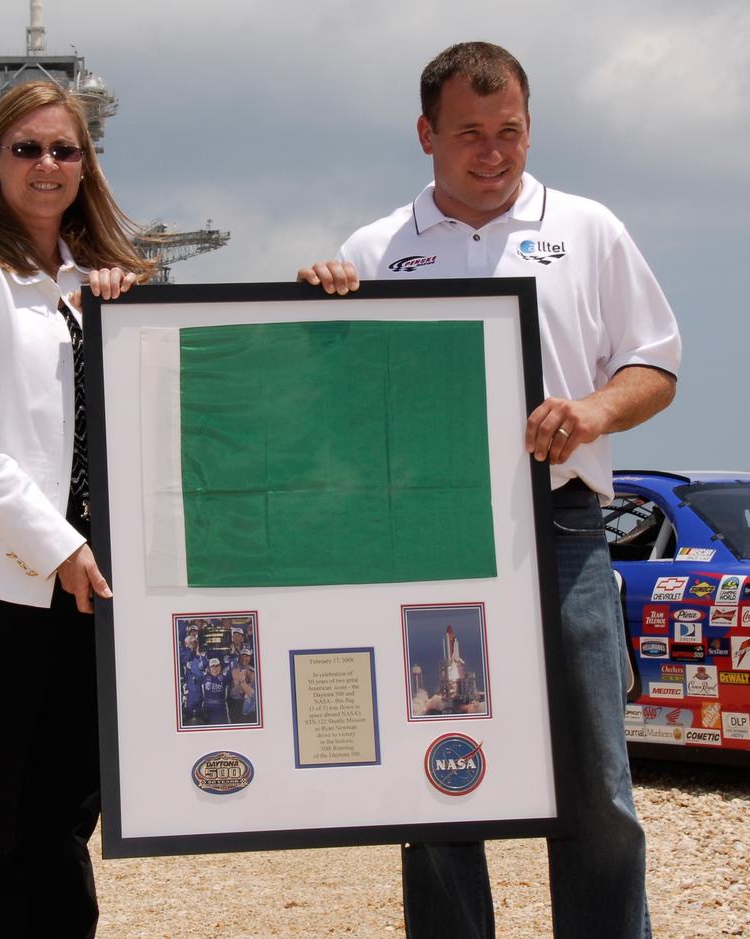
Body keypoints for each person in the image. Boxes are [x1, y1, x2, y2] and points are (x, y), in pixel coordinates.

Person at [299, 41, 681, 939]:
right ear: (426, 134)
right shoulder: (374, 249)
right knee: (437, 780)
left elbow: (656, 366)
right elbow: (337, 403)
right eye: (469, 133)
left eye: (509, 130)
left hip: (562, 531)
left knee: (598, 783)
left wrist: (591, 412)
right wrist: (321, 313)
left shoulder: (589, 228)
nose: (494, 152)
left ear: (530, 125)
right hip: (423, 537)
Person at [0, 79, 152, 938]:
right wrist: (57, 547)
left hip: (91, 589)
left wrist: (129, 318)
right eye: (26, 149)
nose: (46, 165)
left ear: (85, 165)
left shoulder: (96, 288)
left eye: (63, 150)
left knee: (59, 816)